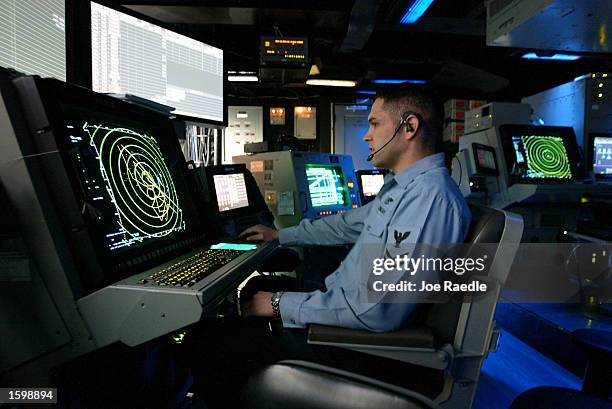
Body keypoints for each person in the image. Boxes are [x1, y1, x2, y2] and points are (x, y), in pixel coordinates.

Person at [184, 88, 471, 408]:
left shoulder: (430, 200)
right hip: (349, 320)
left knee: (207, 343)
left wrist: (280, 305)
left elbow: (378, 310)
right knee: (259, 290)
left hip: (361, 347)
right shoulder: (406, 189)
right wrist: (279, 235)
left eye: (374, 124)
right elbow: (346, 223)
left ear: (409, 127)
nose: (366, 136)